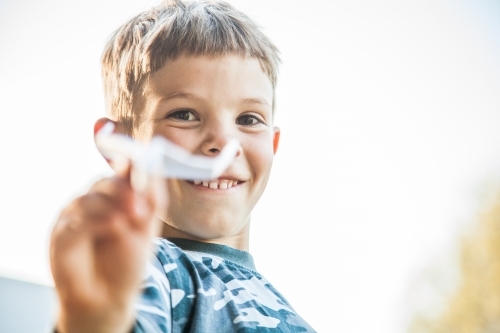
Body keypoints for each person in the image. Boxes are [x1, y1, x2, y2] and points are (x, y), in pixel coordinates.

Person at [50, 0, 316, 332]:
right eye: (184, 114)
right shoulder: (144, 270)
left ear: (273, 146)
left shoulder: (293, 318)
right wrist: (95, 318)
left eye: (248, 119)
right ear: (121, 143)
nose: (222, 142)